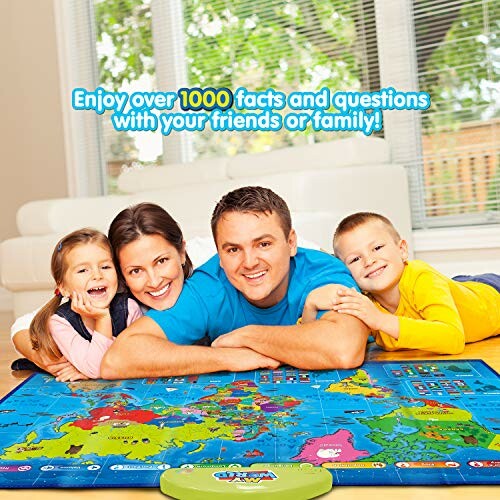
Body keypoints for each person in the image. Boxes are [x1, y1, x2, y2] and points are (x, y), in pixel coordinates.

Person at [100, 187, 369, 379]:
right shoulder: (208, 286)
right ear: (218, 253)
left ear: (290, 242)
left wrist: (247, 336)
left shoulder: (323, 272)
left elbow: (343, 349)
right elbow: (119, 358)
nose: (249, 262)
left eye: (263, 244)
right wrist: (227, 357)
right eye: (232, 250)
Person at [11, 203, 279, 376]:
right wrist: (53, 360)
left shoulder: (212, 262)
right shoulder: (113, 291)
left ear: (182, 251)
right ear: (121, 272)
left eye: (162, 262)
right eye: (135, 270)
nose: (153, 281)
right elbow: (23, 327)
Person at [302, 212, 500, 355]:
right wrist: (310, 305)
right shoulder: (363, 302)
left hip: (490, 295)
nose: (369, 261)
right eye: (355, 259)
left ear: (402, 250)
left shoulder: (421, 278)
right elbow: (320, 343)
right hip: (455, 289)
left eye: (377, 248)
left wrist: (379, 320)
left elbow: (453, 338)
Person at [28, 228, 143, 380]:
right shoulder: (60, 322)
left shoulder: (129, 308)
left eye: (105, 267)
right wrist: (103, 319)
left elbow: (141, 360)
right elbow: (96, 369)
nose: (97, 275)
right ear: (63, 287)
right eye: (83, 270)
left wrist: (84, 370)